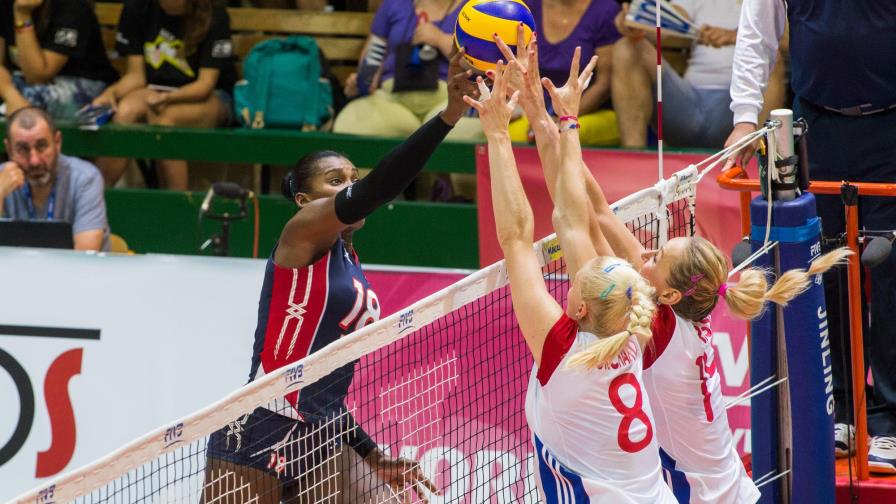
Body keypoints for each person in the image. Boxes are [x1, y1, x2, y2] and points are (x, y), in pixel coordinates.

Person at [495, 26, 851, 501]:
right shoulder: (671, 312)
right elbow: (596, 211)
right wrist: (549, 118)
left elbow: (579, 219)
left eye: (658, 256)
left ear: (668, 293)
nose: (645, 253)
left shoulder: (650, 328)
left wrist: (555, 122)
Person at [202, 51, 475, 504]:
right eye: (335, 181)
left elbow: (322, 388)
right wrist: (448, 116)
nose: (349, 185)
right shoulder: (302, 233)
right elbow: (379, 187)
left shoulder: (350, 259)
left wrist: (372, 453)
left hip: (321, 433)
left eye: (353, 177)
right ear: (305, 200)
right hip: (261, 424)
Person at [467, 50, 676, 501]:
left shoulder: (564, 348)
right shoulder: (638, 330)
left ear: (579, 307)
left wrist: (499, 134)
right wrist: (558, 120)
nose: (575, 268)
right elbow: (575, 221)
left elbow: (520, 236)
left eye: (577, 275)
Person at [724, 0, 896, 474]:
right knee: (827, 267)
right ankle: (841, 410)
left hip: (890, 126)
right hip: (814, 127)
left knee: (891, 273)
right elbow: (756, 37)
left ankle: (889, 419)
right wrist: (744, 118)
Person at [93, 0, 237, 191]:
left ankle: (174, 202)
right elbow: (136, 76)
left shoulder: (214, 13)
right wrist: (110, 93)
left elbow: (205, 85)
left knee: (164, 119)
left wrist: (168, 99)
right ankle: (98, 196)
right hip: (155, 88)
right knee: (125, 111)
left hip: (210, 95)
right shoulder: (137, 8)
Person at [333, 0, 481, 141]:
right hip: (392, 99)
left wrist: (439, 39)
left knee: (461, 130)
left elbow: (482, 63)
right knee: (349, 124)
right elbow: (373, 55)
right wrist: (362, 82)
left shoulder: (475, 8)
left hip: (449, 99)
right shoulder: (394, 4)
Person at [611, 0, 740, 149]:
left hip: (738, 107)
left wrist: (735, 36)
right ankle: (633, 158)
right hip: (688, 105)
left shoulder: (763, 6)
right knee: (626, 48)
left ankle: (758, 160)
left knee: (763, 68)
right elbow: (667, 22)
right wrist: (637, 22)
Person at [507, 0, 621, 146]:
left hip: (588, 111)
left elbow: (604, 84)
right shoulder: (527, 7)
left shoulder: (605, 9)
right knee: (508, 133)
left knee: (563, 135)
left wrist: (563, 116)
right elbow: (512, 66)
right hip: (533, 110)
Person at [0, 107, 109, 251]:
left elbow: (85, 256)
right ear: (9, 149)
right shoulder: (2, 178)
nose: (34, 161)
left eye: (41, 146)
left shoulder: (85, 178)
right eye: (23, 149)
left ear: (57, 142)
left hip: (71, 266)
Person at [0, 0, 118, 120]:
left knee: (31, 100)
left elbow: (38, 76)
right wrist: (10, 95)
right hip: (24, 81)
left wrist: (22, 15)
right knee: (18, 99)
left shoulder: (73, 7)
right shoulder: (5, 4)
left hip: (85, 83)